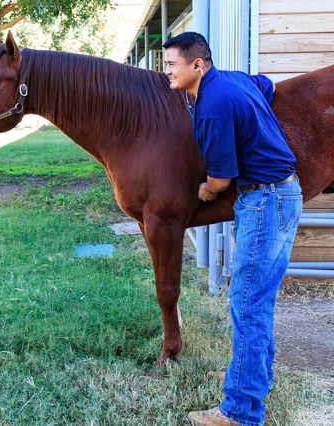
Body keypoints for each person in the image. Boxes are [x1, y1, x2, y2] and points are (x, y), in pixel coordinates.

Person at [163, 32, 302, 426]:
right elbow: (268, 85)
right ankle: (252, 375)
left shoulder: (213, 106)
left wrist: (207, 190)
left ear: (197, 66)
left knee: (247, 302)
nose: (166, 70)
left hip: (265, 202)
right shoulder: (235, 80)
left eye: (172, 63)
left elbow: (221, 178)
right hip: (282, 195)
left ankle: (240, 411)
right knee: (257, 298)